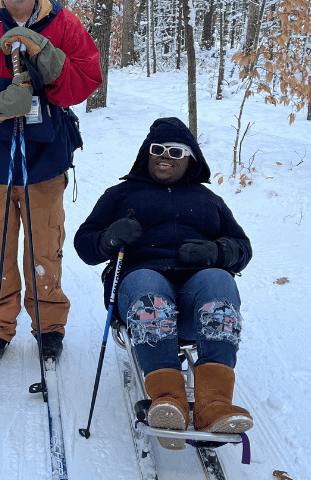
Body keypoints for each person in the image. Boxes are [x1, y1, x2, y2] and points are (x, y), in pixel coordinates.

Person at [74, 117, 253, 450]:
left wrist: (216, 250)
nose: (164, 156)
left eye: (175, 151)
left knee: (219, 281)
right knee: (148, 285)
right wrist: (110, 237)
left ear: (191, 158)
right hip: (140, 283)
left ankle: (213, 403)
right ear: (147, 152)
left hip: (193, 296)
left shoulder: (208, 200)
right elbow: (85, 245)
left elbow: (242, 247)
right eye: (157, 149)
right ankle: (167, 398)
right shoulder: (121, 194)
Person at [0, 0, 101, 365]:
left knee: (45, 245)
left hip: (46, 158)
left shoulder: (64, 24)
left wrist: (47, 56)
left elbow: (85, 83)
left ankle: (49, 326)